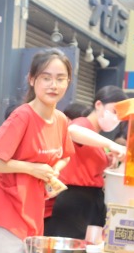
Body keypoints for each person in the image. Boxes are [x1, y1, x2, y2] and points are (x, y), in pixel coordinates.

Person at [0, 49, 77, 253]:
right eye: (46, 78)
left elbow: (65, 156)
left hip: (34, 216)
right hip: (7, 217)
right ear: (32, 79)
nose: (53, 85)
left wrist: (53, 171)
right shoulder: (23, 116)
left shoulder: (61, 120)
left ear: (68, 82)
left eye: (60, 79)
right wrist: (32, 169)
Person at [44, 86, 128, 240]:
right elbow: (72, 131)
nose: (116, 118)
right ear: (98, 105)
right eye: (114, 111)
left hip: (89, 202)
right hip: (73, 200)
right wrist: (112, 145)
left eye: (120, 116)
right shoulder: (83, 124)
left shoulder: (96, 138)